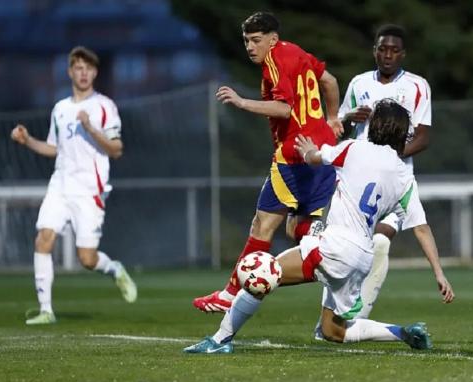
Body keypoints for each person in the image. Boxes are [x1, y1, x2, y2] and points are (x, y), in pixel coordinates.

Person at [183, 99, 454, 354]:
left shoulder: (354, 149)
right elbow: (421, 227)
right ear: (401, 135)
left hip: (335, 246)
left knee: (265, 273)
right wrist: (439, 274)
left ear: (375, 126)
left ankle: (219, 340)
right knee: (332, 331)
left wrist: (306, 150)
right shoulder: (405, 178)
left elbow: (316, 158)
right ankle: (403, 333)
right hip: (360, 259)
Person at [193, 11, 343, 313]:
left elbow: (284, 109)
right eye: (246, 40)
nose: (250, 46)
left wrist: (241, 101)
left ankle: (229, 294)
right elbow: (329, 80)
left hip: (293, 156)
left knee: (262, 225)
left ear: (272, 40)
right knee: (299, 228)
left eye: (256, 40)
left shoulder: (275, 59)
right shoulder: (296, 52)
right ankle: (334, 263)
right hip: (322, 153)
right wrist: (332, 118)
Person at [11, 46, 137, 325]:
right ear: (70, 71)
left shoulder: (104, 106)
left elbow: (116, 149)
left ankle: (114, 269)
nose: (84, 73)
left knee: (87, 259)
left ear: (95, 73)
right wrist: (28, 141)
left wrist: (91, 128)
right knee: (44, 238)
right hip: (60, 186)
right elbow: (54, 148)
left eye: (89, 69)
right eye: (78, 68)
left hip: (89, 191)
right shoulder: (60, 109)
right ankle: (46, 310)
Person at [337, 24, 434, 319]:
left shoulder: (417, 86)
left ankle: (356, 318)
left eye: (394, 50)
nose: (387, 55)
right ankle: (334, 313)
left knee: (378, 242)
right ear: (375, 51)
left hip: (394, 179)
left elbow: (424, 136)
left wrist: (391, 156)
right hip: (356, 177)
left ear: (402, 54)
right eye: (382, 49)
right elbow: (339, 127)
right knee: (346, 248)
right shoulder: (358, 83)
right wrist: (349, 116)